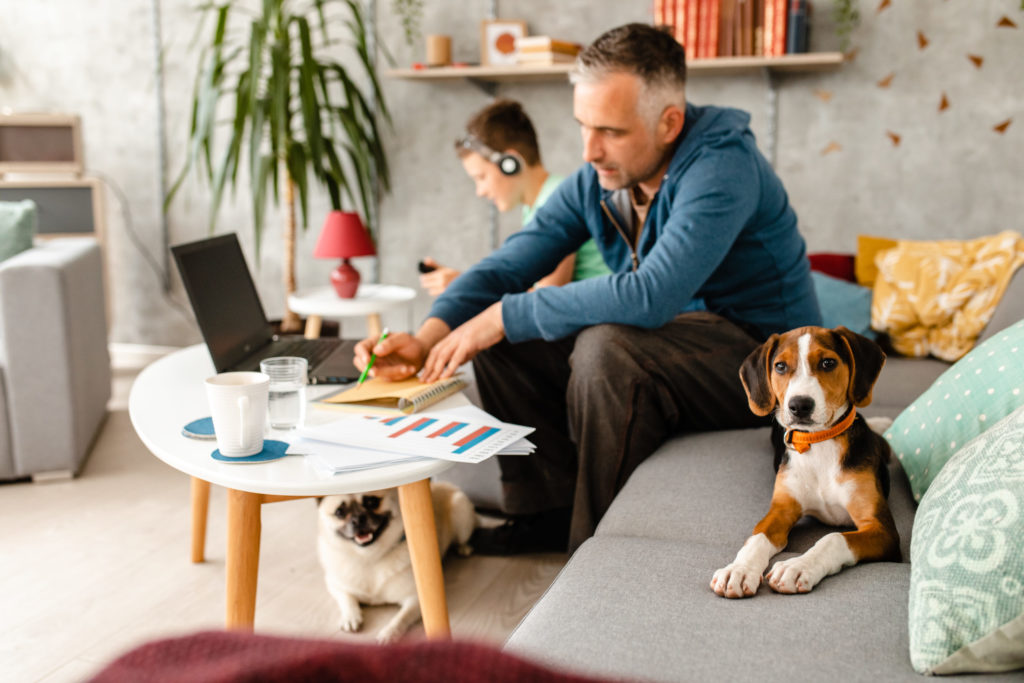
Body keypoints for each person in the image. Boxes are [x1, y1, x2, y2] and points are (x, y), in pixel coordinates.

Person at [357, 23, 822, 555]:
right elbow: (508, 265)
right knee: (504, 339)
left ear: (670, 122)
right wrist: (428, 336)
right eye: (583, 127)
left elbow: (652, 294)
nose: (590, 149)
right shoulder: (601, 179)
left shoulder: (722, 166)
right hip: (681, 341)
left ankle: (593, 550)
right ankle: (544, 515)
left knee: (606, 347)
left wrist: (506, 313)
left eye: (611, 131)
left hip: (764, 363)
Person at [419, 99, 610, 296]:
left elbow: (545, 299)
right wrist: (468, 283)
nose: (480, 191)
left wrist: (469, 287)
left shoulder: (555, 203)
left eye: (481, 177)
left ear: (509, 163)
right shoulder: (538, 203)